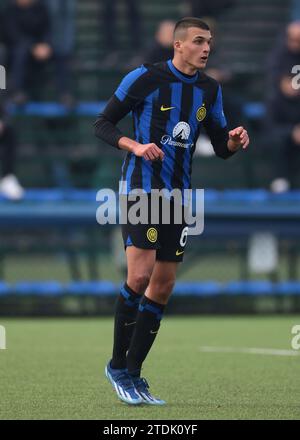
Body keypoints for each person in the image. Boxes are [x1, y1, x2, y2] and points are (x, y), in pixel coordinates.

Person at [94, 17, 249, 406]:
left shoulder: (211, 90)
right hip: (141, 190)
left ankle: (135, 374)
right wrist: (135, 146)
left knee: (162, 285)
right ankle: (117, 367)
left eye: (209, 41)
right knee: (140, 274)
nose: (206, 48)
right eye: (198, 41)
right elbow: (102, 123)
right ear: (178, 45)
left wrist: (232, 141)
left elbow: (219, 144)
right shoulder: (144, 77)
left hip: (179, 197)